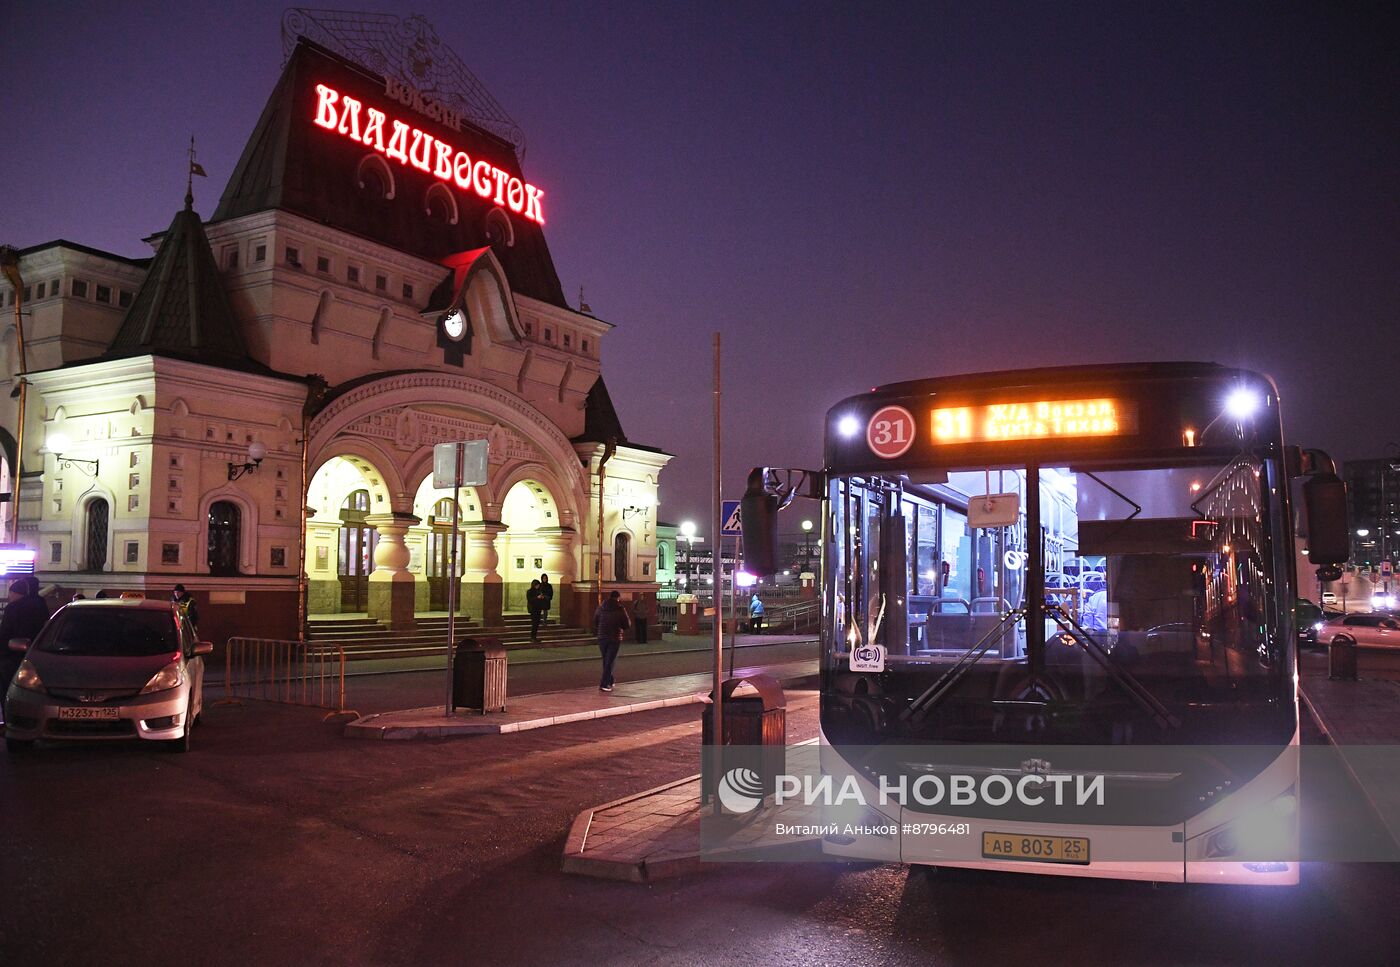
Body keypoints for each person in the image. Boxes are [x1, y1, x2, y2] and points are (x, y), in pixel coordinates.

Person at [0, 577, 51, 713]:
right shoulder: (40, 603)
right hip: (37, 653)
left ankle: (10, 716)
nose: (9, 596)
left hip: (12, 656)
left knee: (7, 688)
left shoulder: (13, 608)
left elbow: (5, 633)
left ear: (15, 593)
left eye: (11, 592)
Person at [592, 590, 631, 692]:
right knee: (609, 661)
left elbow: (595, 621)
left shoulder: (601, 607)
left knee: (606, 659)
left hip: (601, 637)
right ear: (618, 598)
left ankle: (610, 679)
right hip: (614, 637)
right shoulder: (619, 608)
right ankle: (604, 684)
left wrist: (600, 629)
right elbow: (626, 624)